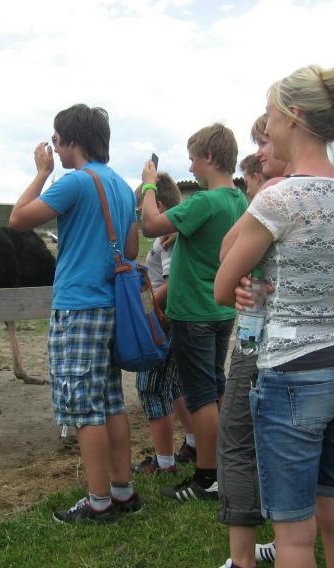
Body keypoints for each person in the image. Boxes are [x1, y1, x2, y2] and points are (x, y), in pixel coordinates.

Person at [215, 64, 334, 568]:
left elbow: (222, 286)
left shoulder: (279, 197)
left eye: (272, 114)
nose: (268, 125)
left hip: (292, 372)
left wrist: (248, 287)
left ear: (294, 116)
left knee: (295, 539)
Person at [8, 103, 141, 524]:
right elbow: (132, 249)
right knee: (111, 400)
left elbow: (18, 218)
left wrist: (41, 173)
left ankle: (99, 502)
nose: (54, 148)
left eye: (56, 140)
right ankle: (122, 490)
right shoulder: (121, 186)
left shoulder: (76, 182)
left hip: (78, 307)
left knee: (85, 409)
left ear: (71, 141)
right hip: (111, 306)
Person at [140, 123, 247, 502]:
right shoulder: (239, 201)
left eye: (192, 158)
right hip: (220, 311)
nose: (189, 167)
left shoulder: (204, 201)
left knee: (199, 394)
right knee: (215, 387)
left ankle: (207, 478)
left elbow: (149, 224)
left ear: (209, 158)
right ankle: (222, 465)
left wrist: (149, 185)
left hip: (192, 313)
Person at [218, 114, 293, 568]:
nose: (259, 155)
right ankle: (289, 542)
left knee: (238, 440)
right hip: (311, 346)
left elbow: (227, 255)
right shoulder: (332, 188)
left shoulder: (273, 195)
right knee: (293, 446)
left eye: (264, 142)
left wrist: (258, 201)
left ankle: (242, 558)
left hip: (258, 340)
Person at [131, 171, 196, 474]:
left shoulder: (166, 239)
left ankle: (164, 462)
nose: (139, 219)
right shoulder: (172, 235)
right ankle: (194, 443)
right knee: (174, 386)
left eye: (140, 211)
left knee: (152, 388)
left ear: (157, 206)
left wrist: (146, 310)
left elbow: (172, 283)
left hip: (164, 323)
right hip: (173, 320)